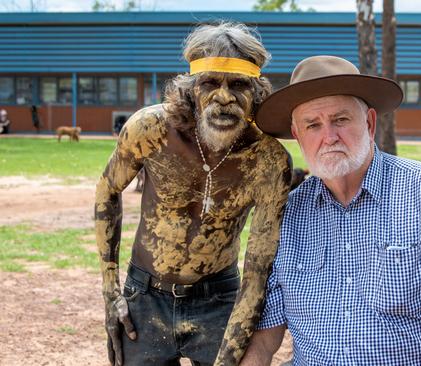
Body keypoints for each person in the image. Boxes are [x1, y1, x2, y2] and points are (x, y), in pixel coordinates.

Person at [241, 55, 421, 365]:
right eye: (313, 125)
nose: (329, 136)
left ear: (370, 122)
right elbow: (265, 337)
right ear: (297, 135)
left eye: (340, 119)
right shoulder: (287, 215)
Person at [94, 23, 292, 366]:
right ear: (190, 89)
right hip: (145, 294)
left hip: (220, 298)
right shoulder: (150, 129)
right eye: (210, 83)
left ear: (257, 93)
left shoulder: (267, 160)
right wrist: (111, 289)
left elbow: (259, 268)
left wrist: (232, 351)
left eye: (239, 85)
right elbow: (108, 190)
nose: (224, 98)